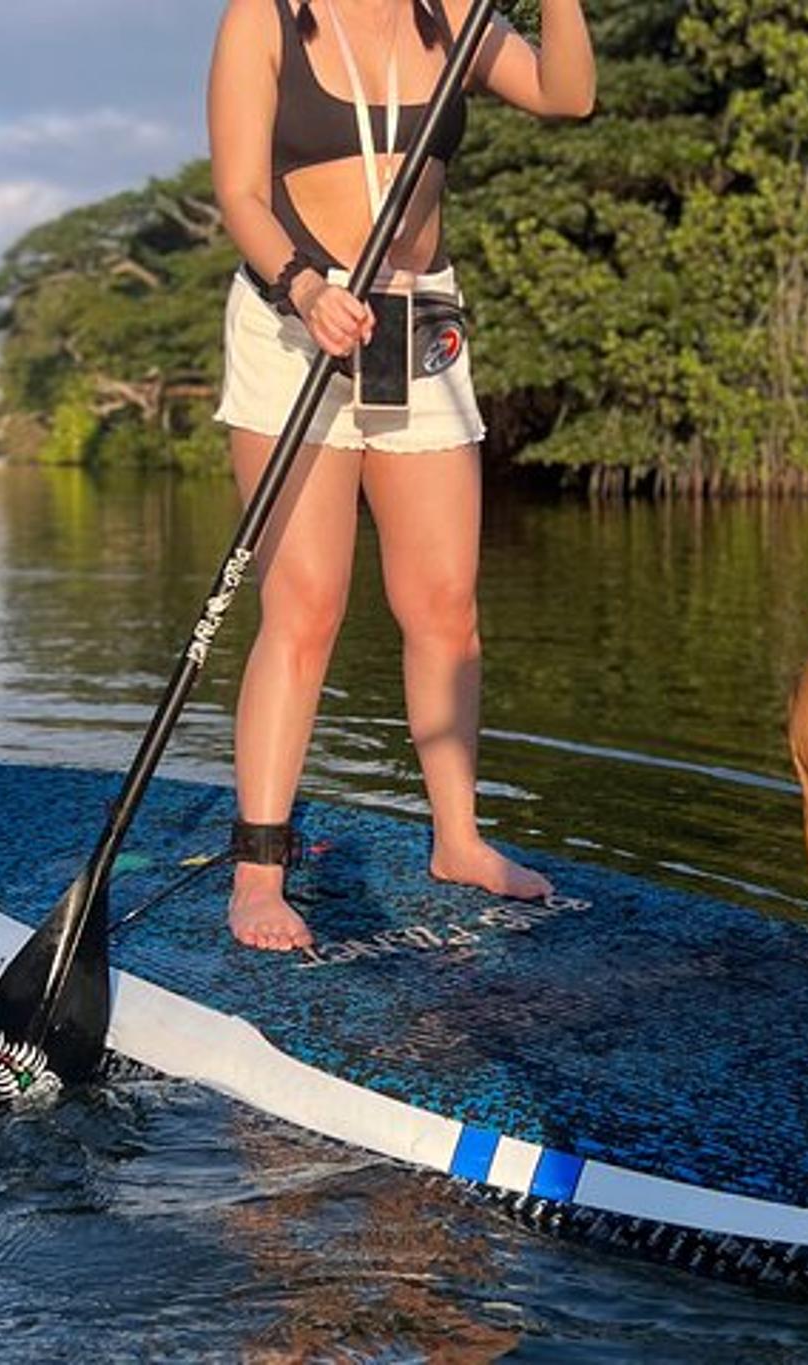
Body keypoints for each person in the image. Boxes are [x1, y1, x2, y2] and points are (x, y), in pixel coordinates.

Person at [207, 0, 595, 949]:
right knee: (306, 605)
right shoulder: (262, 17)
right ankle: (260, 873)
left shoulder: (454, 13)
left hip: (420, 326)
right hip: (296, 319)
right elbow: (240, 196)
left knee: (445, 603)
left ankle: (457, 837)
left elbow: (565, 93)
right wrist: (304, 285)